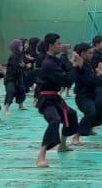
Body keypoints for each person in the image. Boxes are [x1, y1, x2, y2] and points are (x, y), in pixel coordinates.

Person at [36, 33, 80, 168]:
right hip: (45, 99)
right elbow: (66, 80)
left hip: (55, 97)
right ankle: (41, 155)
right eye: (58, 44)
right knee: (54, 119)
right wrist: (76, 66)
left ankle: (62, 145)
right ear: (51, 46)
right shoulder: (48, 63)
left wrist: (66, 54)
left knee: (71, 115)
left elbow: (67, 68)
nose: (61, 45)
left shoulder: (55, 59)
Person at [74, 42, 102, 138]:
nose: (92, 55)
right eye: (89, 53)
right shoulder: (80, 67)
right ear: (82, 53)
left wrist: (100, 76)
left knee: (100, 114)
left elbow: (94, 81)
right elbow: (90, 82)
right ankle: (76, 136)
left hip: (92, 95)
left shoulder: (88, 65)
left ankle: (88, 127)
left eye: (92, 53)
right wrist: (101, 76)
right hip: (83, 97)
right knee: (91, 112)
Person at [4, 39, 27, 114]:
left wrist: (24, 66)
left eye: (22, 46)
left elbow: (21, 65)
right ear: (16, 47)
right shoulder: (13, 56)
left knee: (21, 90)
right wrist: (22, 66)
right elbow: (15, 67)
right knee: (11, 91)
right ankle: (7, 108)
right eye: (20, 46)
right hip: (11, 78)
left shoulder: (20, 55)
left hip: (18, 76)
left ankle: (21, 105)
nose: (22, 47)